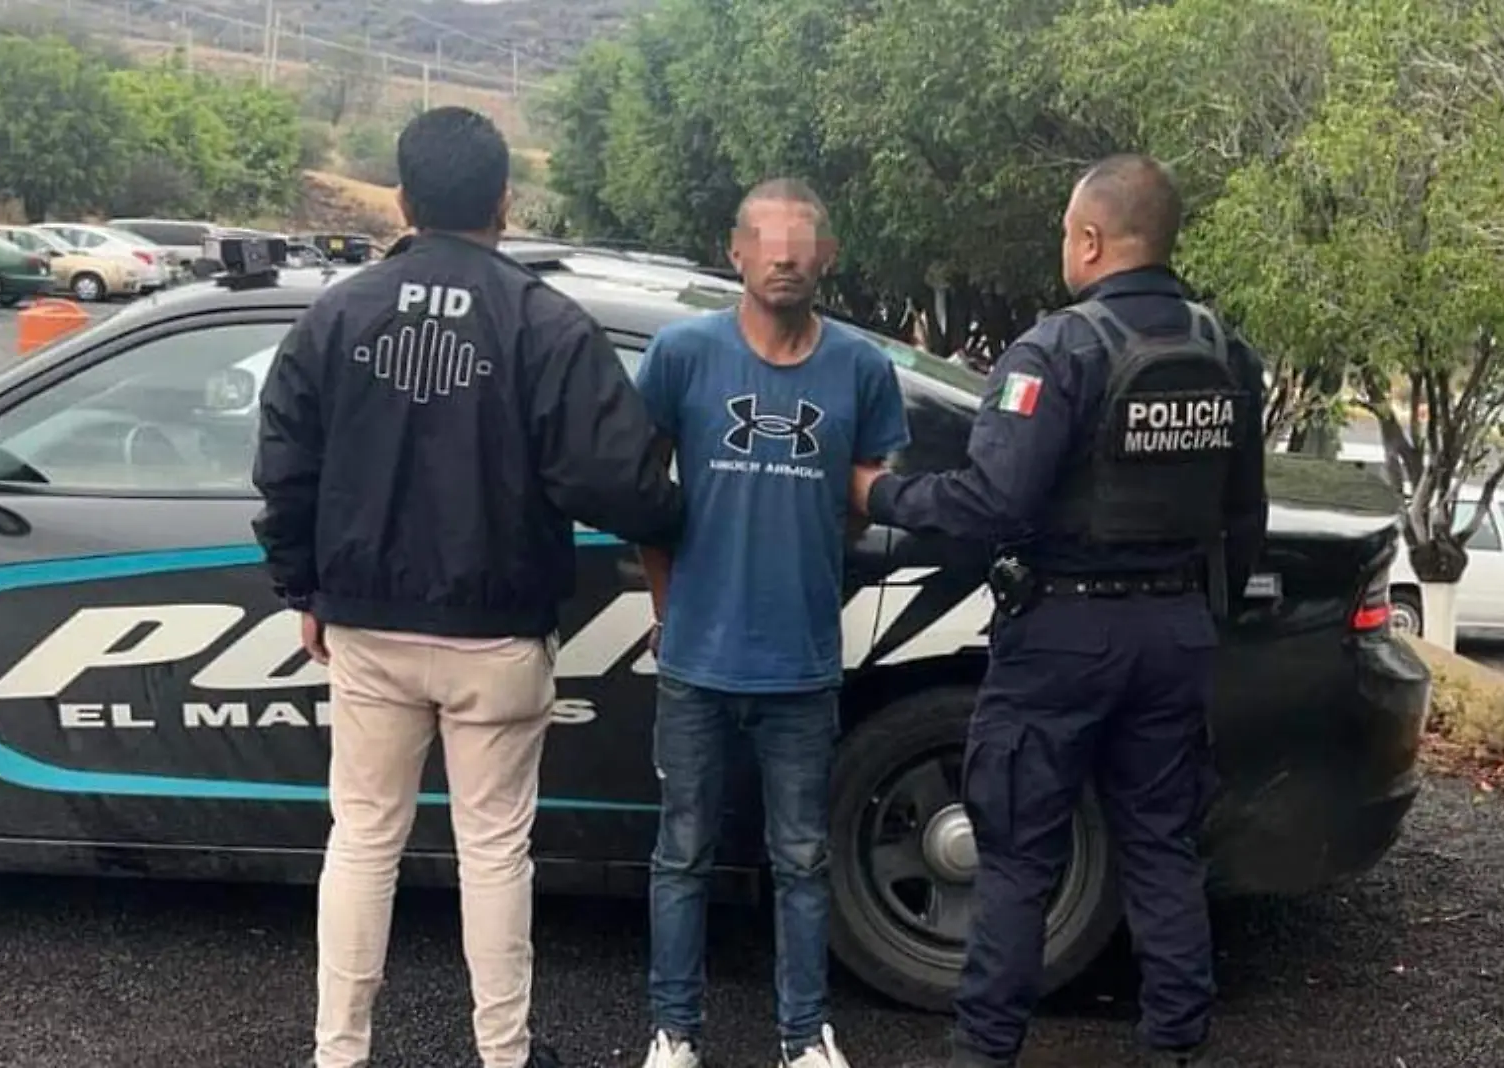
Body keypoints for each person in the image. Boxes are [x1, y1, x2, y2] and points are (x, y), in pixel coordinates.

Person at [254, 105, 686, 1068]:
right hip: (498, 632)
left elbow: (284, 466)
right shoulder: (544, 322)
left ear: (402, 200)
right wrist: (679, 520)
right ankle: (504, 1053)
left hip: (367, 626)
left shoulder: (337, 315)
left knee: (362, 840)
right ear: (505, 201)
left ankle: (338, 1053)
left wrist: (303, 588)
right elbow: (616, 483)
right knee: (494, 851)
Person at [853, 155, 1269, 1068]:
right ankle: (1175, 1048)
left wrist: (880, 495)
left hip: (1064, 636)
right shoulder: (1227, 351)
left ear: (1089, 239)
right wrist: (1202, 619)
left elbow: (991, 502)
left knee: (1015, 855)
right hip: (1176, 632)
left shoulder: (1059, 350)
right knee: (1162, 849)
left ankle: (986, 1051)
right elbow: (1245, 517)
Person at [634, 178, 912, 1068]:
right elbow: (644, 495)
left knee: (802, 860)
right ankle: (674, 1031)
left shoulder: (861, 369)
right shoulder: (681, 356)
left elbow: (864, 502)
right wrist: (668, 606)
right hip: (696, 661)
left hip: (802, 665)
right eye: (766, 238)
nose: (785, 255)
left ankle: (803, 1036)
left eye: (802, 240)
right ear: (736, 252)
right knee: (682, 854)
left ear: (828, 256)